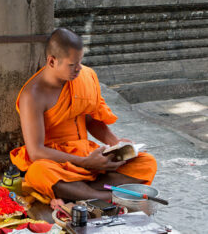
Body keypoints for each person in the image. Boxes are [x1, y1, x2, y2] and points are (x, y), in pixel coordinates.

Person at [10, 28, 157, 201]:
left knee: (147, 162)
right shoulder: (33, 95)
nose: (79, 69)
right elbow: (36, 152)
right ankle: (104, 196)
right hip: (59, 162)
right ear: (51, 62)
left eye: (80, 62)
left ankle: (79, 191)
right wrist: (84, 162)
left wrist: (116, 145)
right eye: (72, 65)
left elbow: (90, 119)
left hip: (88, 156)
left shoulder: (85, 76)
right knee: (38, 173)